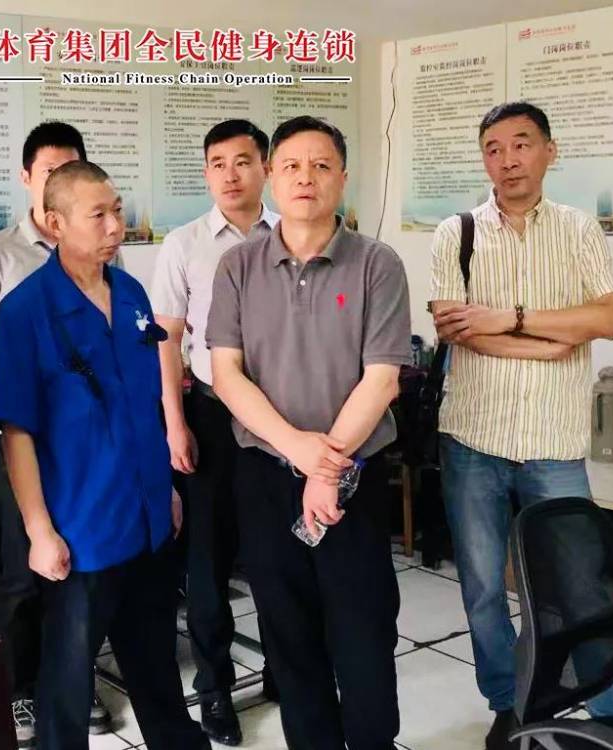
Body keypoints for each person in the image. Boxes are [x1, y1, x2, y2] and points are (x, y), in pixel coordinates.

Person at [428, 101, 613, 749]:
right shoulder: (456, 233)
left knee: (583, 590)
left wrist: (508, 318)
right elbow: (456, 328)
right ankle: (509, 703)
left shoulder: (580, 230)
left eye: (521, 144)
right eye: (493, 148)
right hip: (473, 439)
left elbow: (606, 320)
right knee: (483, 590)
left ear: (550, 150)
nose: (508, 159)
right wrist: (552, 340)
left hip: (554, 443)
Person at [0, 161, 208, 750]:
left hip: (147, 521)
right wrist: (39, 532)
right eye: (98, 215)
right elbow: (17, 433)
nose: (115, 226)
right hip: (82, 532)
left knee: (157, 668)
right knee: (67, 684)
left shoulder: (131, 294)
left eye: (117, 210)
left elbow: (145, 404)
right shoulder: (26, 312)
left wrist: (164, 489)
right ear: (55, 223)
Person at [207, 116, 409, 750]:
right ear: (271, 176)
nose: (306, 178)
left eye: (321, 166)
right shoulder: (238, 266)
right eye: (292, 165)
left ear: (342, 178)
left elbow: (382, 378)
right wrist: (297, 448)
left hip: (354, 480)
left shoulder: (376, 263)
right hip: (266, 479)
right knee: (288, 632)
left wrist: (326, 468)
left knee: (364, 629)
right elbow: (227, 374)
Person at [0, 121, 116, 743]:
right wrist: (7, 419)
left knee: (84, 563)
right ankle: (19, 689)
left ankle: (75, 677)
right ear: (27, 178)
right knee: (23, 572)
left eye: (72, 169)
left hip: (86, 446)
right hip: (22, 440)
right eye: (50, 171)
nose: (60, 181)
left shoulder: (100, 245)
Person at [151, 118, 279, 746]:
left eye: (243, 161)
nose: (231, 175)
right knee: (207, 561)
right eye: (218, 163)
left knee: (280, 550)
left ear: (265, 168)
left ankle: (286, 669)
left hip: (281, 417)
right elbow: (167, 342)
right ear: (206, 173)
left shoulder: (289, 233)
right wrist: (174, 424)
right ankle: (215, 688)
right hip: (209, 414)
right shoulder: (184, 244)